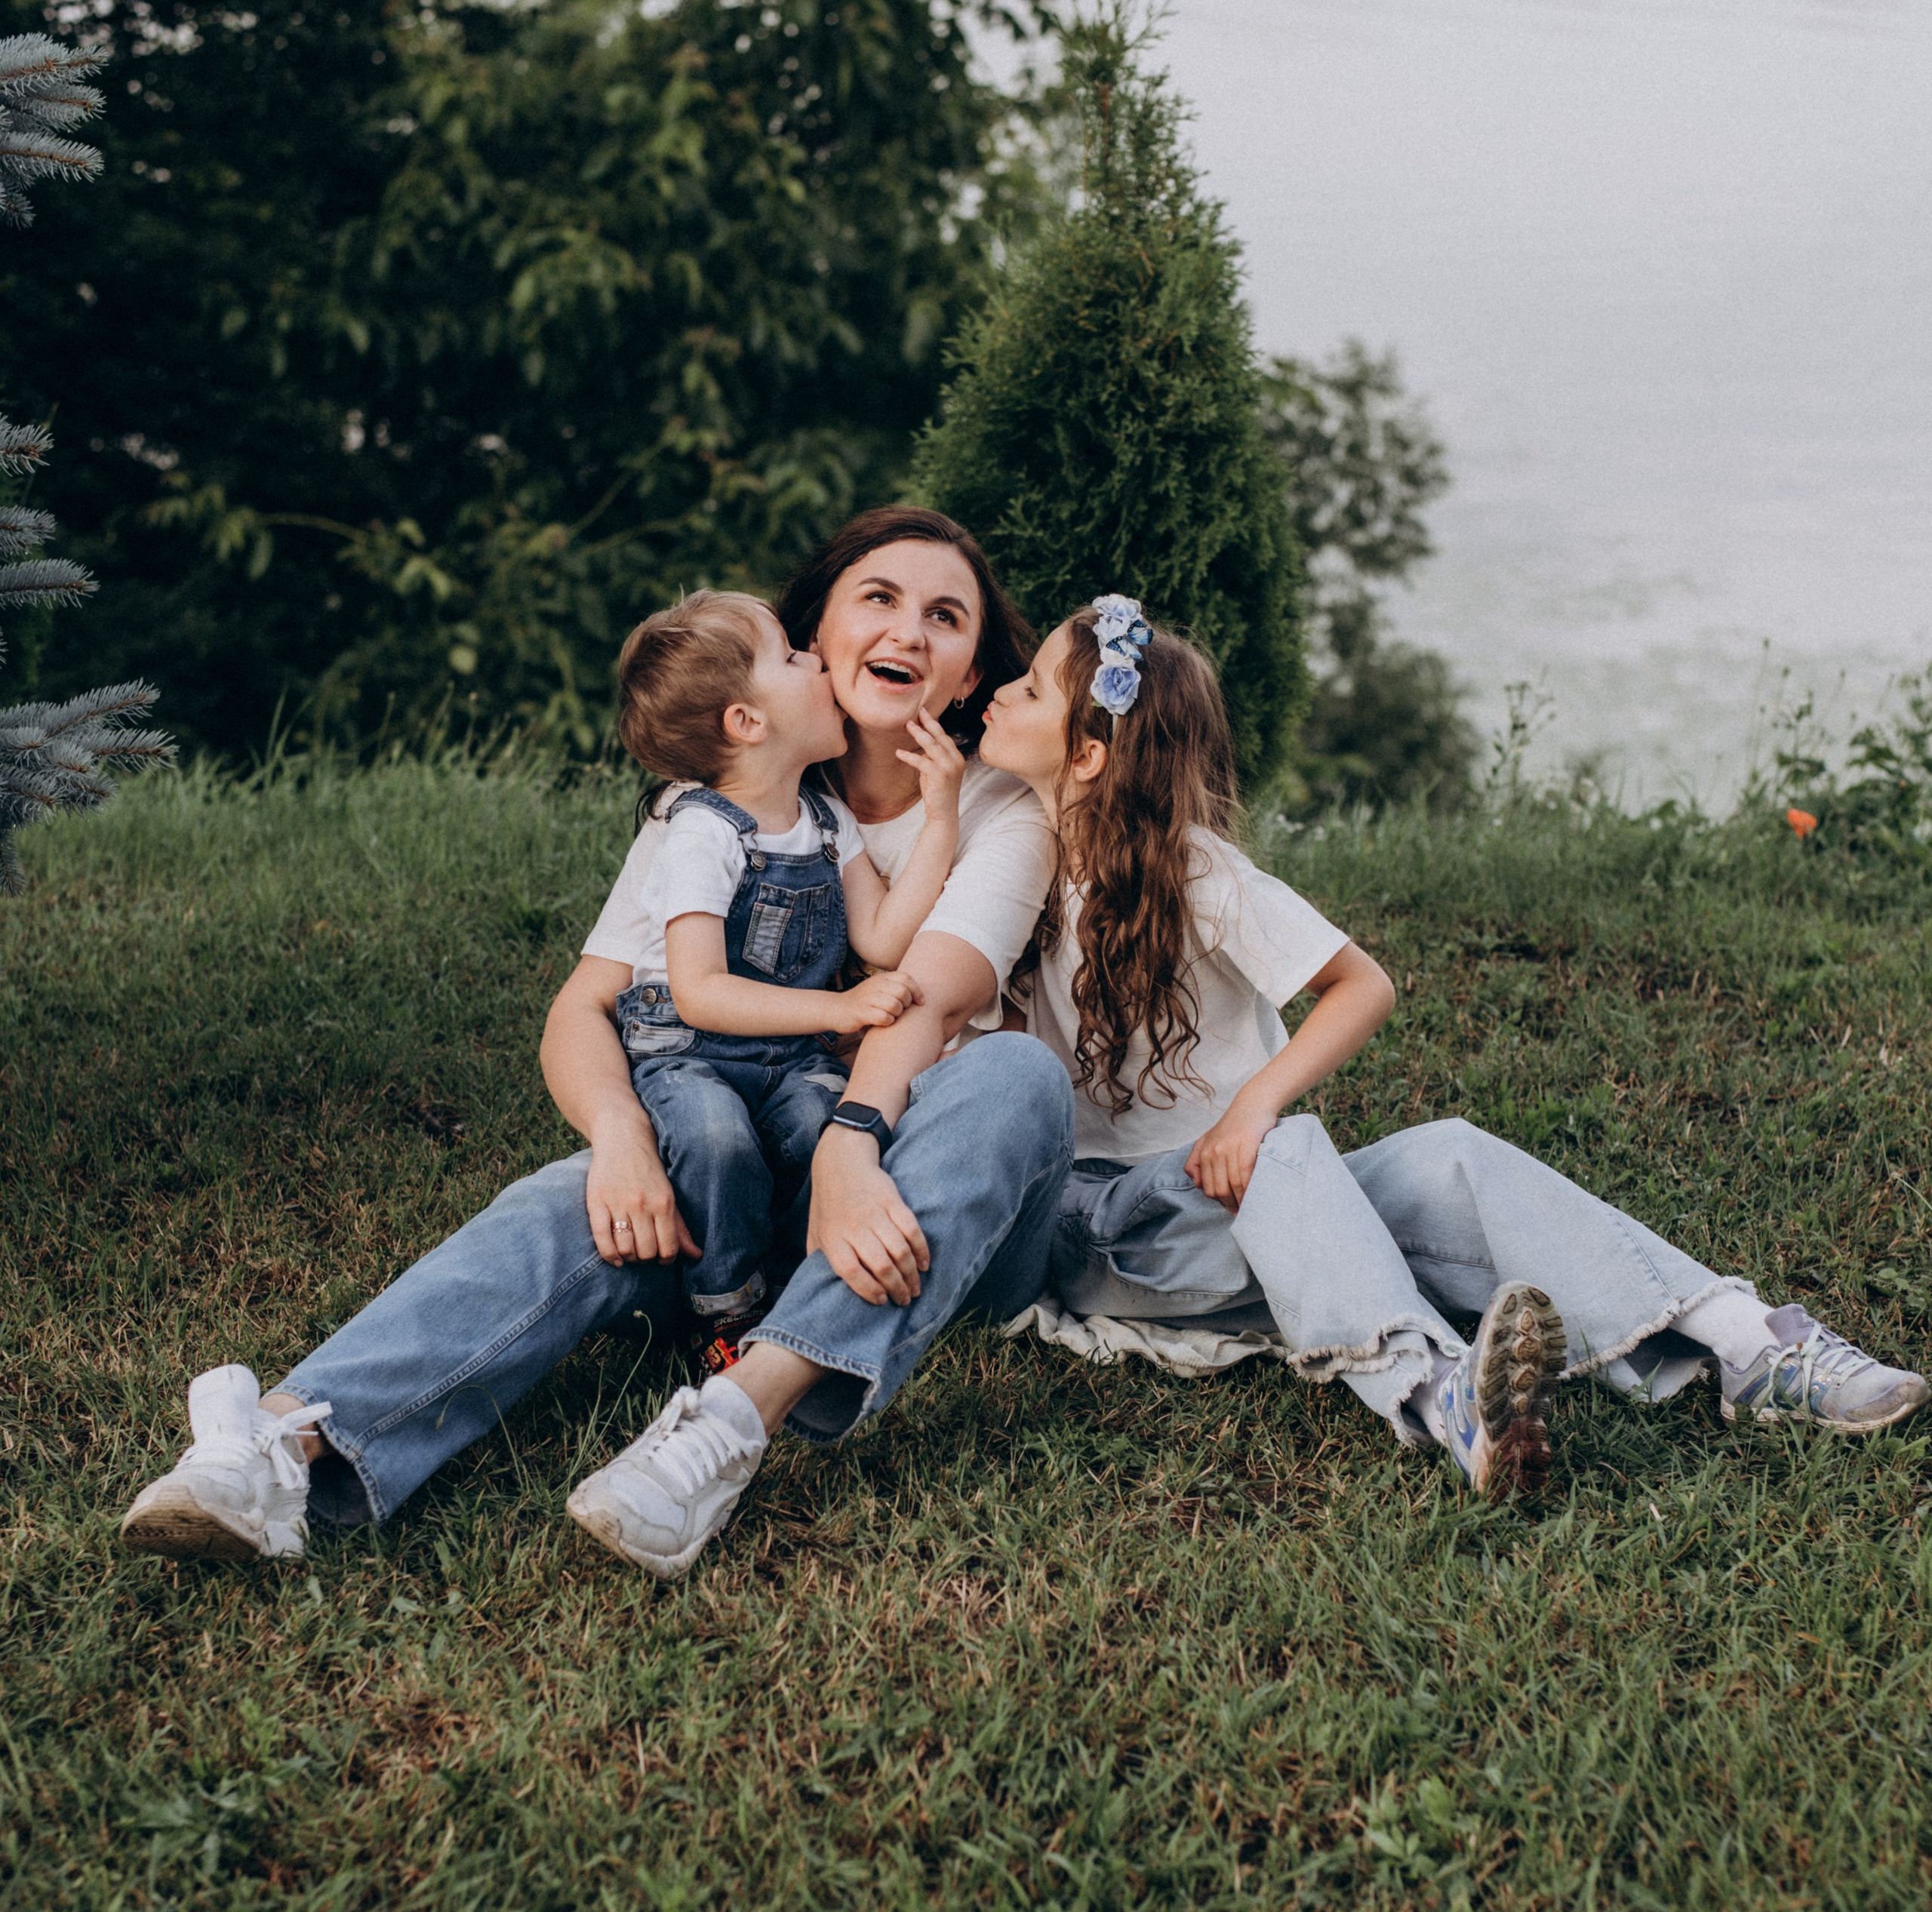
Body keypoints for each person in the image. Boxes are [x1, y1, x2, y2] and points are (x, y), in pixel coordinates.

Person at [118, 508, 1072, 1566]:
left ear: (973, 665)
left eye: (945, 616)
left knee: (1016, 1075)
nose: (908, 631)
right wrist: (621, 1140)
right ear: (818, 637)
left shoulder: (997, 810)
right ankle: (285, 1445)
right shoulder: (710, 808)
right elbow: (585, 1006)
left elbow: (925, 996)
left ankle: (728, 1422)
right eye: (878, 599)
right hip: (741, 1183)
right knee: (569, 1197)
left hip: (919, 1205)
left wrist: (850, 1146)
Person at [967, 596, 1930, 1487]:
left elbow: (1362, 985)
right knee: (1295, 1153)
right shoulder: (1014, 861)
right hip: (1104, 1236)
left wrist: (1252, 1107)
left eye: (1028, 686)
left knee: (1451, 1154)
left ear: (1089, 755)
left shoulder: (1195, 872)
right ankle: (1440, 1393)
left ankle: (1751, 1343)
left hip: (1241, 1206)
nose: (1002, 689)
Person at [605, 589, 964, 1369]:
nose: (817, 659)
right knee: (714, 1137)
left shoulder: (825, 821)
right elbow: (699, 988)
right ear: (747, 722)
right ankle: (721, 1310)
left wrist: (941, 818)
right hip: (690, 1047)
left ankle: (804, 1287)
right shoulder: (699, 830)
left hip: (789, 1055)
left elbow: (883, 933)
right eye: (793, 656)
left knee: (821, 1123)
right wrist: (839, 1003)